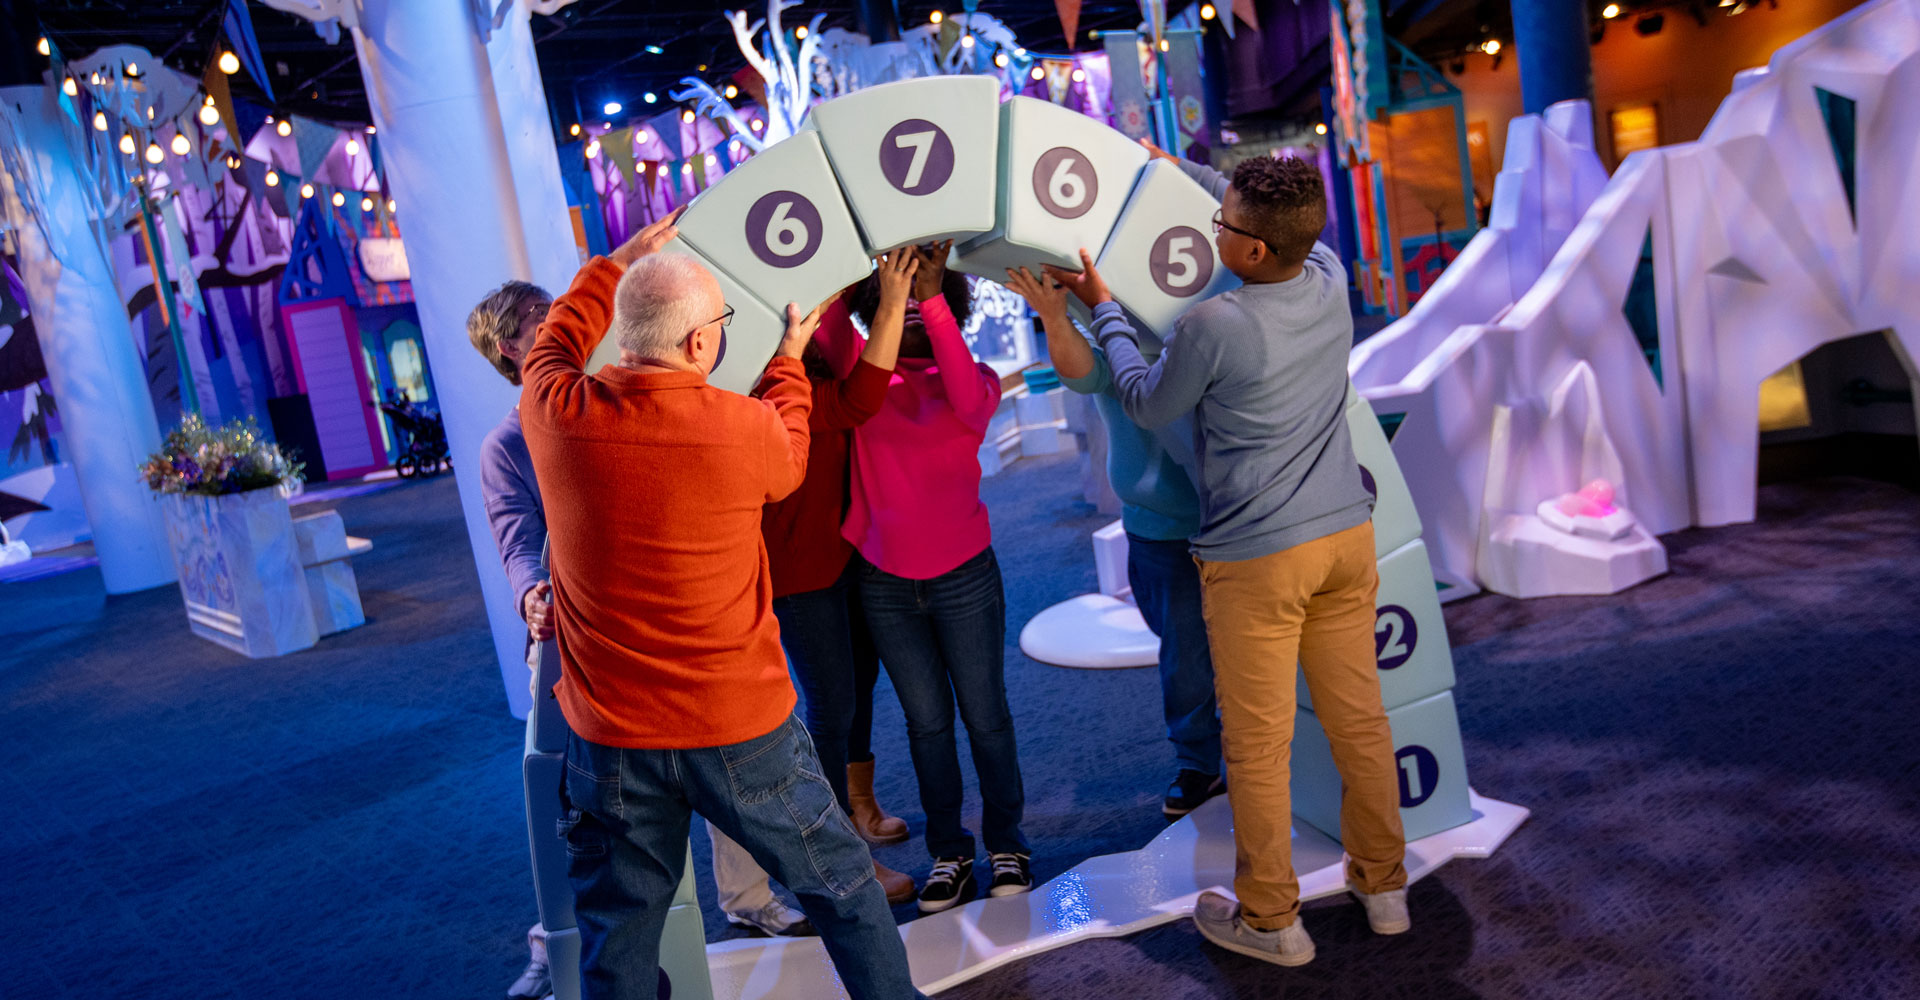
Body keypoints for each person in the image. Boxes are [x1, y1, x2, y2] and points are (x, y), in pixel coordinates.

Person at [516, 213, 921, 1000]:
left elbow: (554, 341)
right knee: (841, 885)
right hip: (739, 728)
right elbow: (792, 453)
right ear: (702, 345)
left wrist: (619, 262)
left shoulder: (556, 413)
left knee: (620, 929)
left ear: (624, 335)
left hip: (611, 737)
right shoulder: (742, 430)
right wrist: (789, 361)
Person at [1044, 150, 1410, 967]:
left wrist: (1102, 305)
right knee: (1361, 725)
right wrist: (1184, 169)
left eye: (1223, 224)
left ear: (1249, 251)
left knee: (1256, 746)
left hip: (1259, 558)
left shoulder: (1213, 325)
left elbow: (1142, 397)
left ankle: (1272, 919)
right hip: (1346, 541)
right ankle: (1385, 886)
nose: (1213, 228)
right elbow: (1261, 212)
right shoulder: (1327, 276)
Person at [467, 278, 815, 952]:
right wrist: (533, 593)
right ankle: (574, 939)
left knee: (717, 747)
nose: (570, 318)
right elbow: (516, 539)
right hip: (584, 638)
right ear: (511, 347)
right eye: (546, 316)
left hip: (670, 620)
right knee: (605, 813)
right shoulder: (510, 443)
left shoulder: (610, 403)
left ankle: (746, 899)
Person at [824, 242, 1034, 913]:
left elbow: (970, 402)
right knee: (927, 727)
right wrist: (880, 281)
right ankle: (950, 851)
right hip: (884, 583)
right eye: (902, 299)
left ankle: (1008, 842)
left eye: (930, 300)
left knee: (986, 717)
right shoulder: (861, 374)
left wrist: (931, 291)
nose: (915, 308)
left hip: (965, 577)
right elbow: (830, 315)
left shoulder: (973, 380)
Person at [1001, 266, 1224, 820]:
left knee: (1217, 651)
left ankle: (1217, 759)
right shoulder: (1111, 321)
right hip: (1156, 524)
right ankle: (1202, 759)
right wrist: (1056, 316)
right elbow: (1082, 375)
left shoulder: (1206, 315)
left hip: (1227, 516)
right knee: (1182, 650)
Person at [759, 250, 920, 905]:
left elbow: (848, 363)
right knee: (831, 706)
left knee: (855, 693)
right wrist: (881, 298)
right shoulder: (777, 392)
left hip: (847, 547)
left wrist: (862, 277)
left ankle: (856, 812)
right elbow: (857, 397)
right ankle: (836, 857)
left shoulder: (817, 352)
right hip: (801, 566)